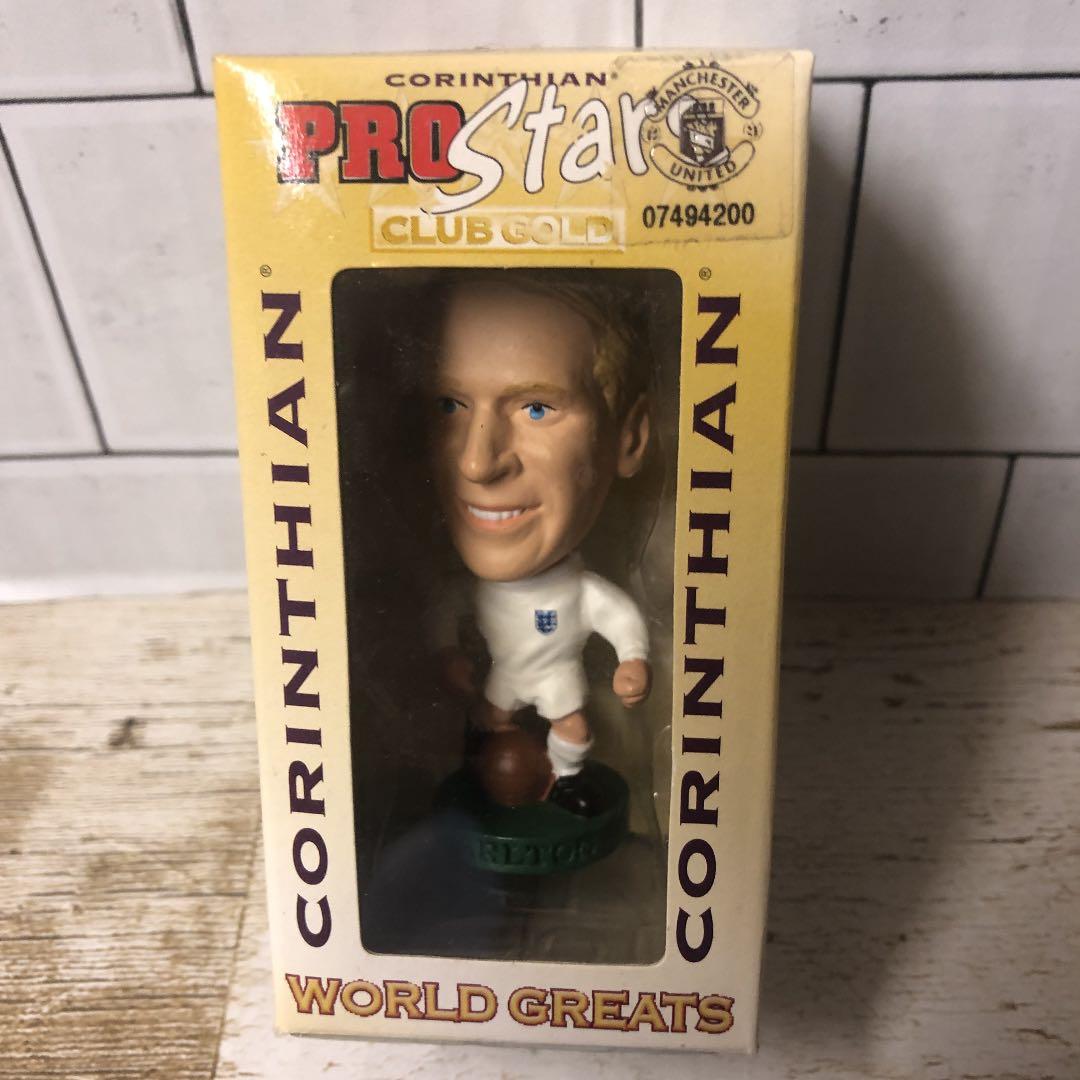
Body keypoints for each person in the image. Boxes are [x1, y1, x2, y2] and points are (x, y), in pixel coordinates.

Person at [430, 275, 653, 816]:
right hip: (504, 674)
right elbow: (445, 610)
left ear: (628, 438)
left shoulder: (582, 592)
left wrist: (634, 659)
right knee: (490, 718)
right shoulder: (464, 591)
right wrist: (447, 651)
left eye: (536, 408)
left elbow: (619, 618)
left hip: (556, 677)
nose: (477, 463)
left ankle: (567, 779)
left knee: (571, 727)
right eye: (450, 404)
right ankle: (488, 775)